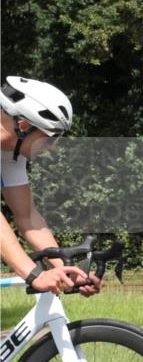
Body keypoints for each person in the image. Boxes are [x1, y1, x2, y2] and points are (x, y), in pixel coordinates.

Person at [1, 76, 100, 296]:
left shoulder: (9, 153)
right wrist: (34, 273)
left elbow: (27, 217)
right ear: (24, 125)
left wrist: (66, 269)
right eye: (50, 138)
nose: (53, 148)